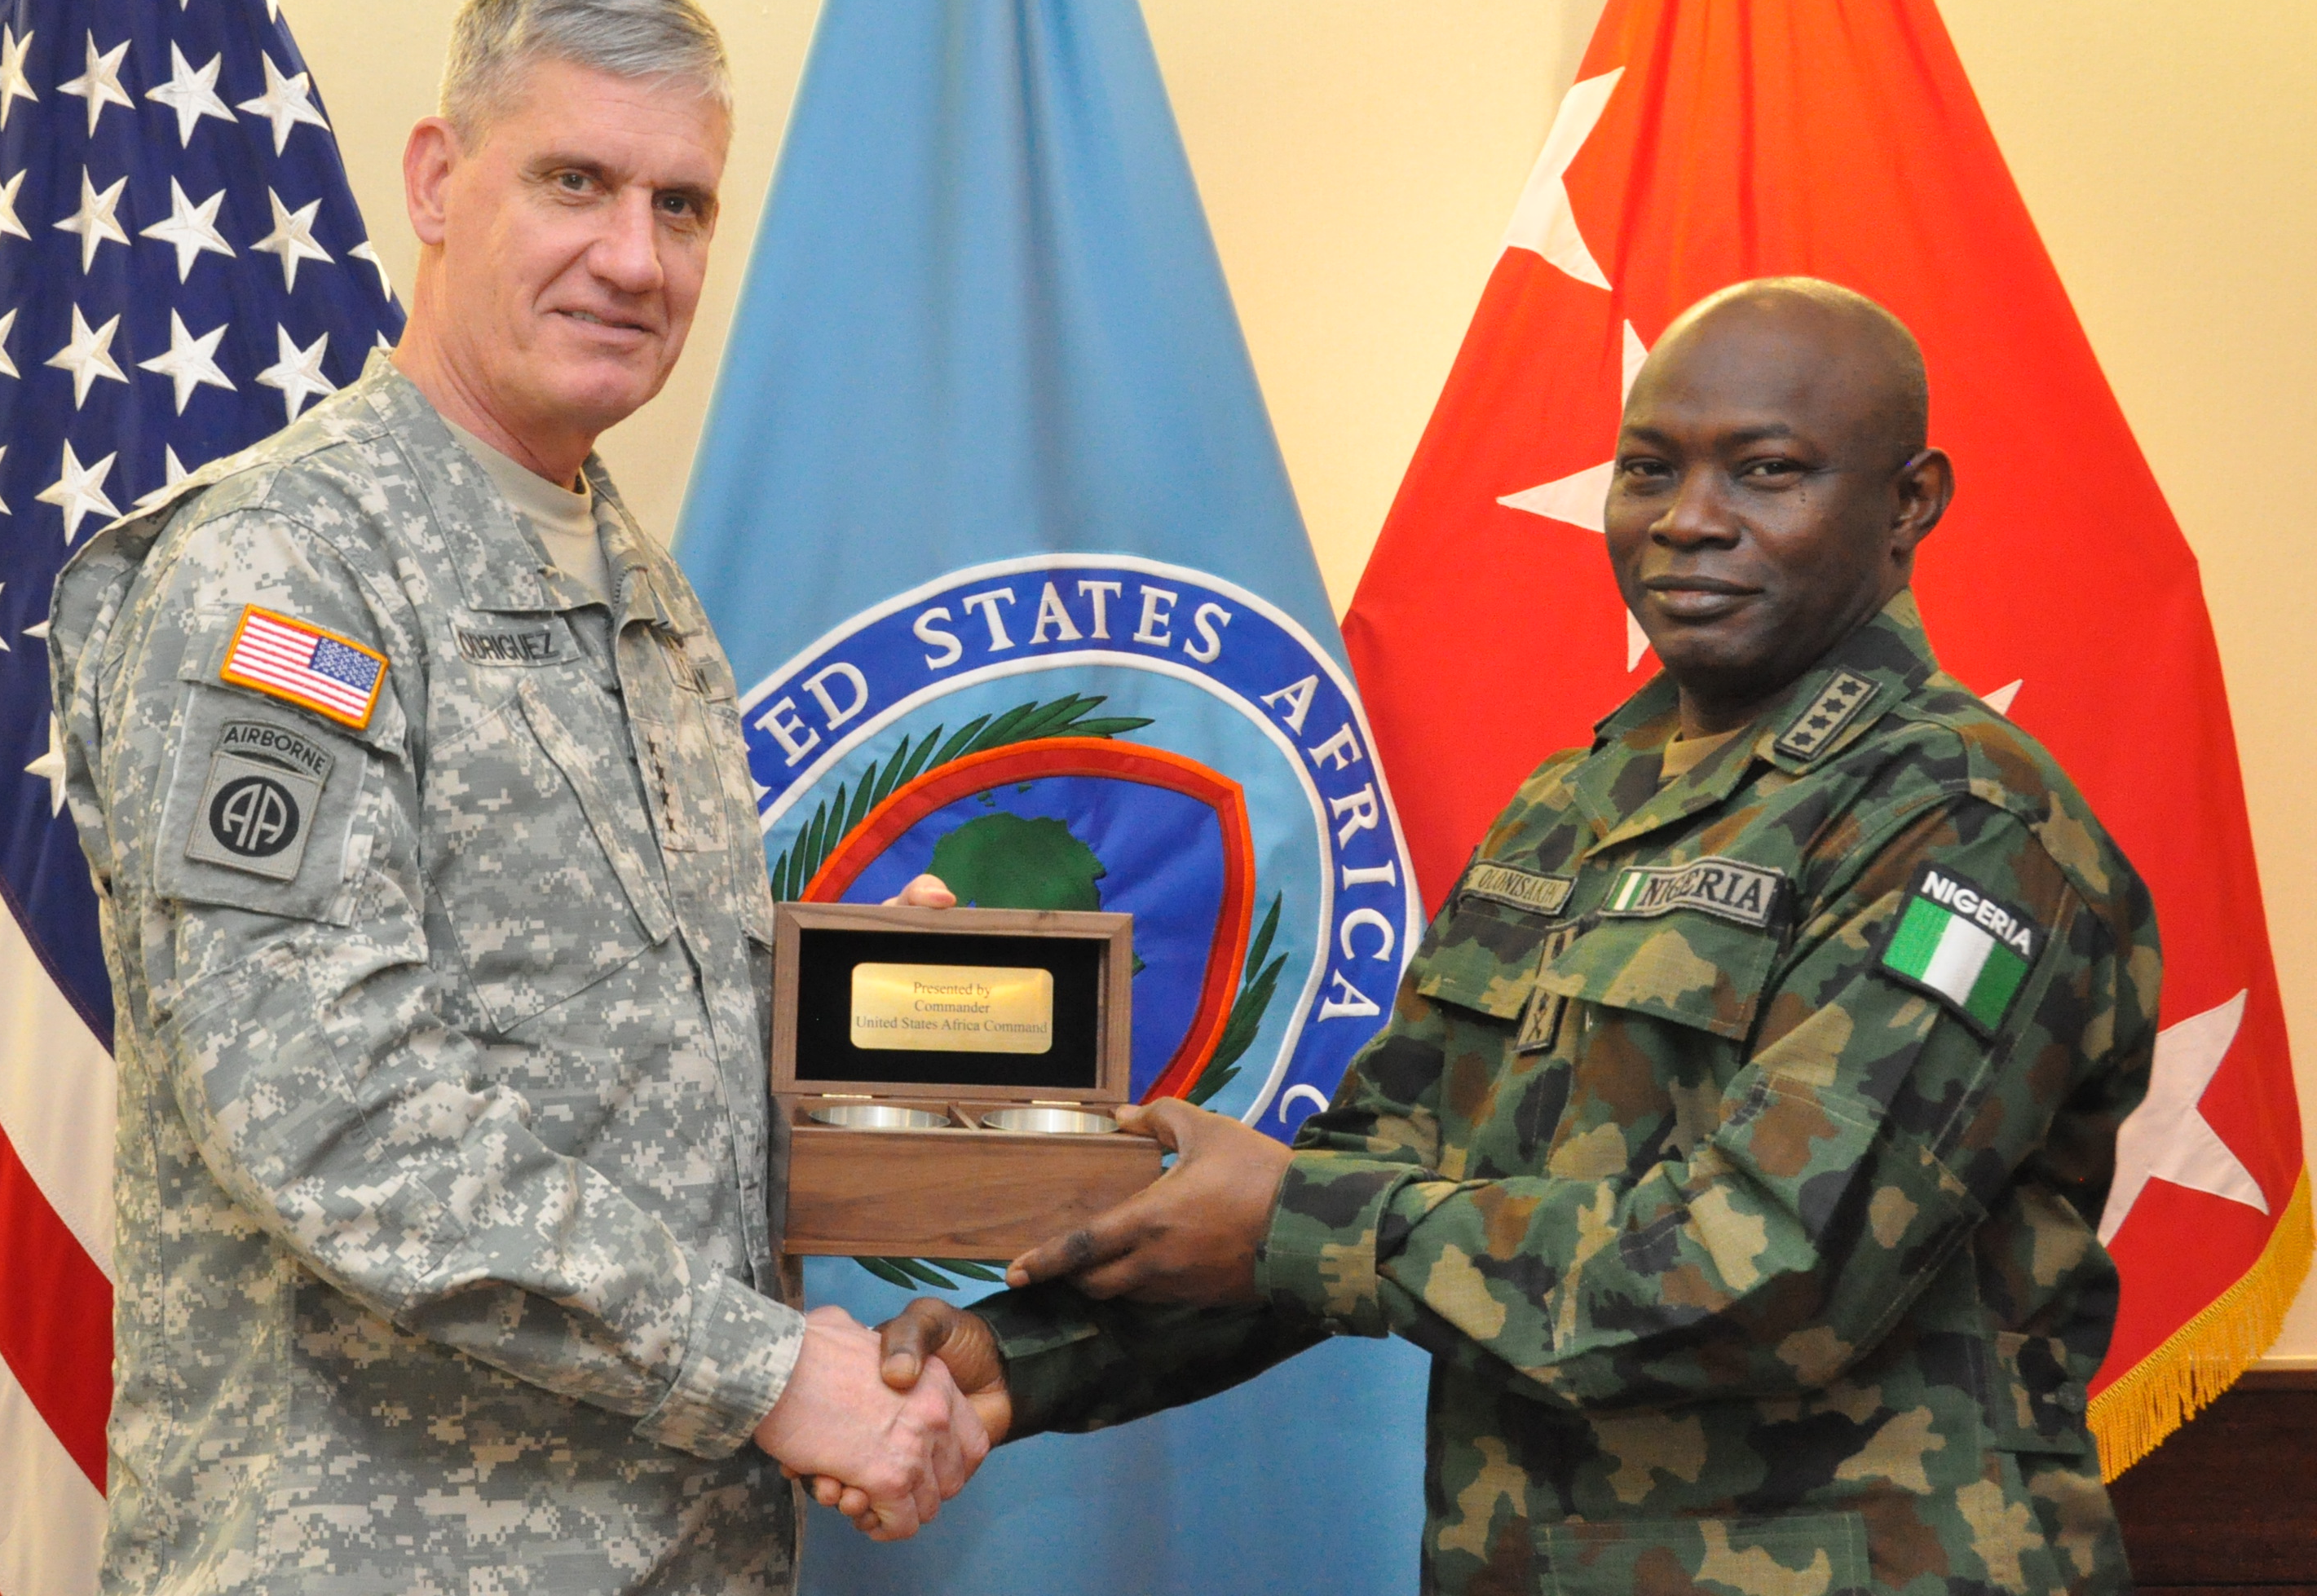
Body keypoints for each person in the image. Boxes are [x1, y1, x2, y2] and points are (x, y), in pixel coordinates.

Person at [840, 278, 2160, 1595]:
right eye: (1648, 470)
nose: (1690, 520)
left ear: (1910, 503)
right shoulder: (1572, 805)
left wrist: (1296, 1213)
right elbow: (1381, 1169)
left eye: (1767, 471)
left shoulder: (1965, 823)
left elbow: (1770, 1270)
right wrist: (1020, 1361)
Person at [49, 0, 984, 1596]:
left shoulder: (642, 591)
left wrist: (838, 1018)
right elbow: (325, 1107)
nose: (634, 258)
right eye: (575, 181)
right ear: (436, 181)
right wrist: (769, 1373)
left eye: (681, 206)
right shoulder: (292, 576)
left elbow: (592, 1031)